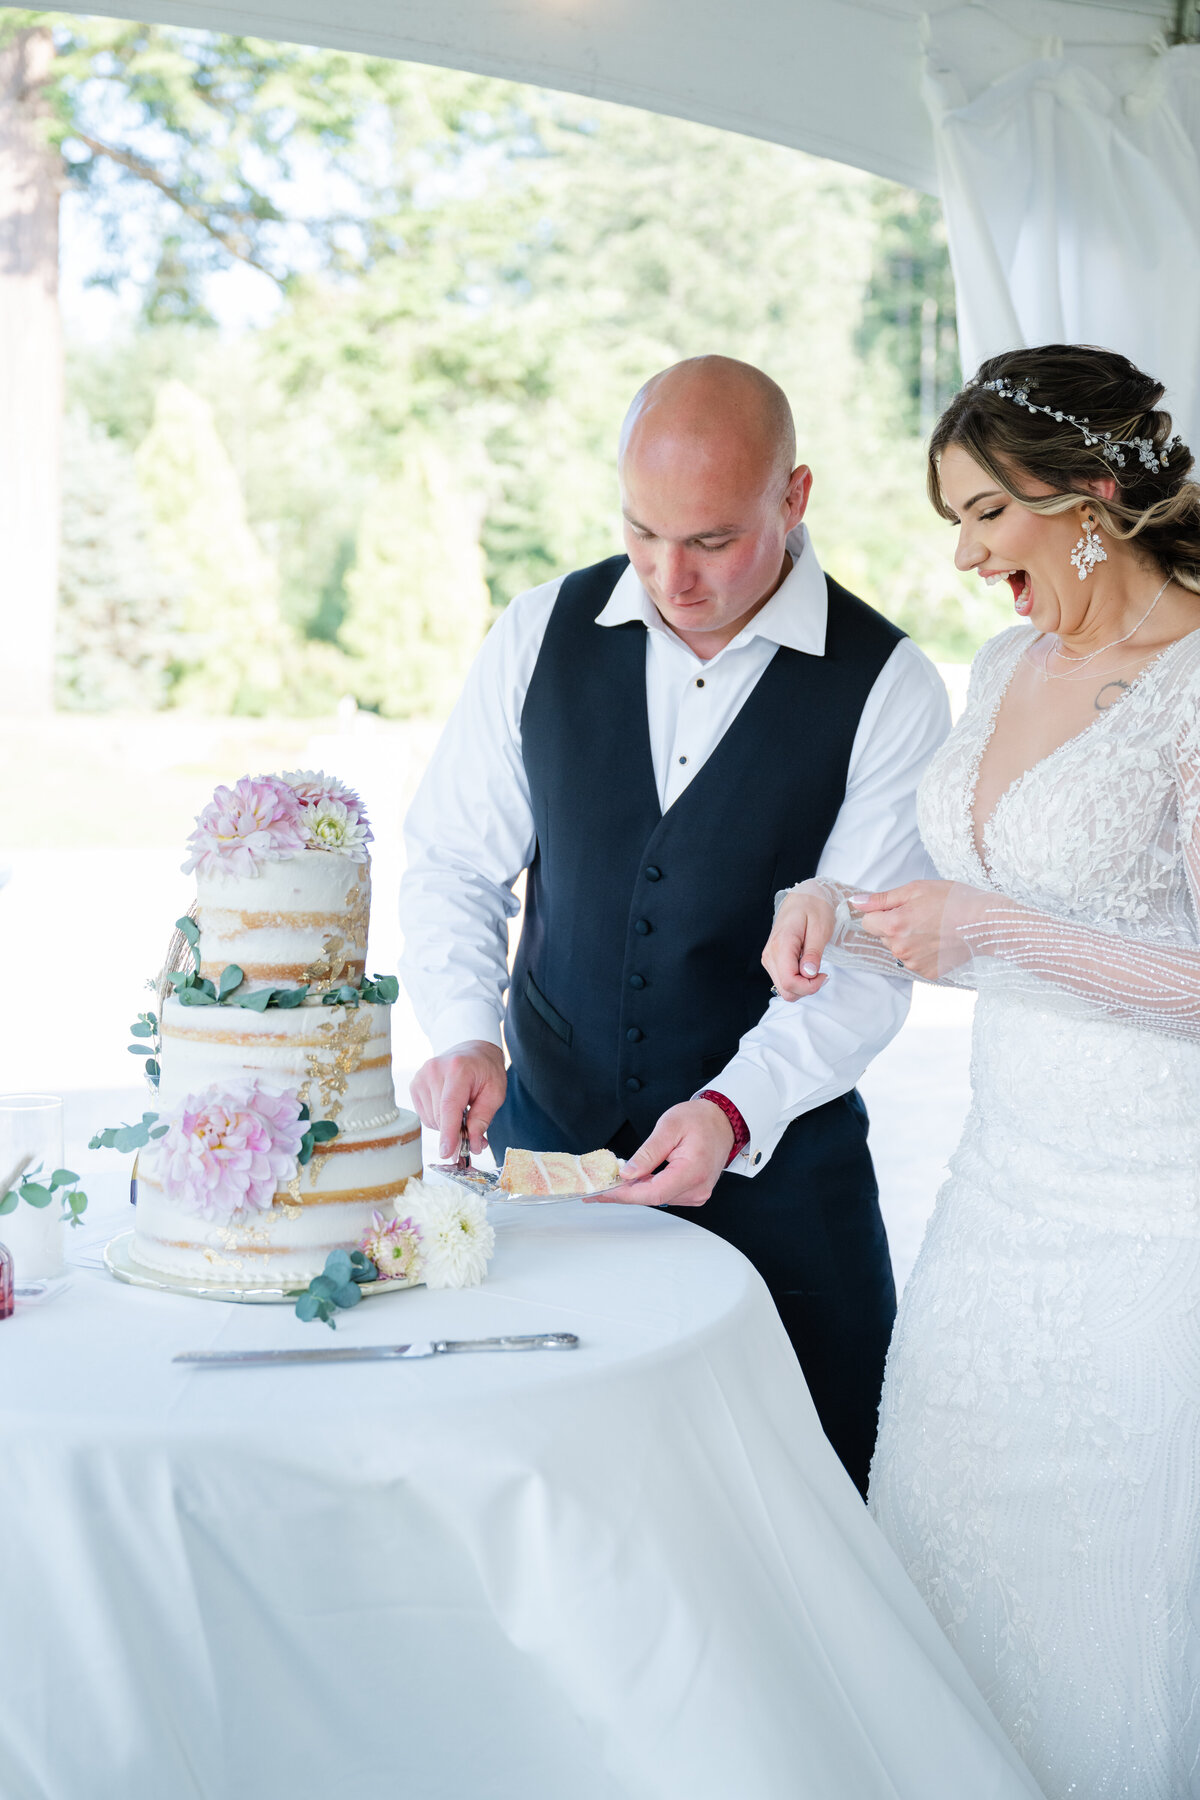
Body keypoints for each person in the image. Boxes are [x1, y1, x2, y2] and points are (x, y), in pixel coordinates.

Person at [764, 342, 1200, 1799]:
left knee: (1112, 1586)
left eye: (984, 515)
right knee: (949, 1537)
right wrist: (847, 916)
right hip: (996, 1205)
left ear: (1087, 497)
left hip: (1155, 1223)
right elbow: (962, 922)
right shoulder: (1010, 658)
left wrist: (990, 921)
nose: (960, 558)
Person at [400, 354, 949, 1496]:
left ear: (793, 500)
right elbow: (456, 862)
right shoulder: (538, 631)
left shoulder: (888, 685)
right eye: (644, 533)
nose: (670, 575)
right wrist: (463, 1029)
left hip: (781, 1188)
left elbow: (859, 965)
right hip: (546, 1160)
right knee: (553, 1494)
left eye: (710, 541)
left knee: (821, 1500)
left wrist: (729, 1109)